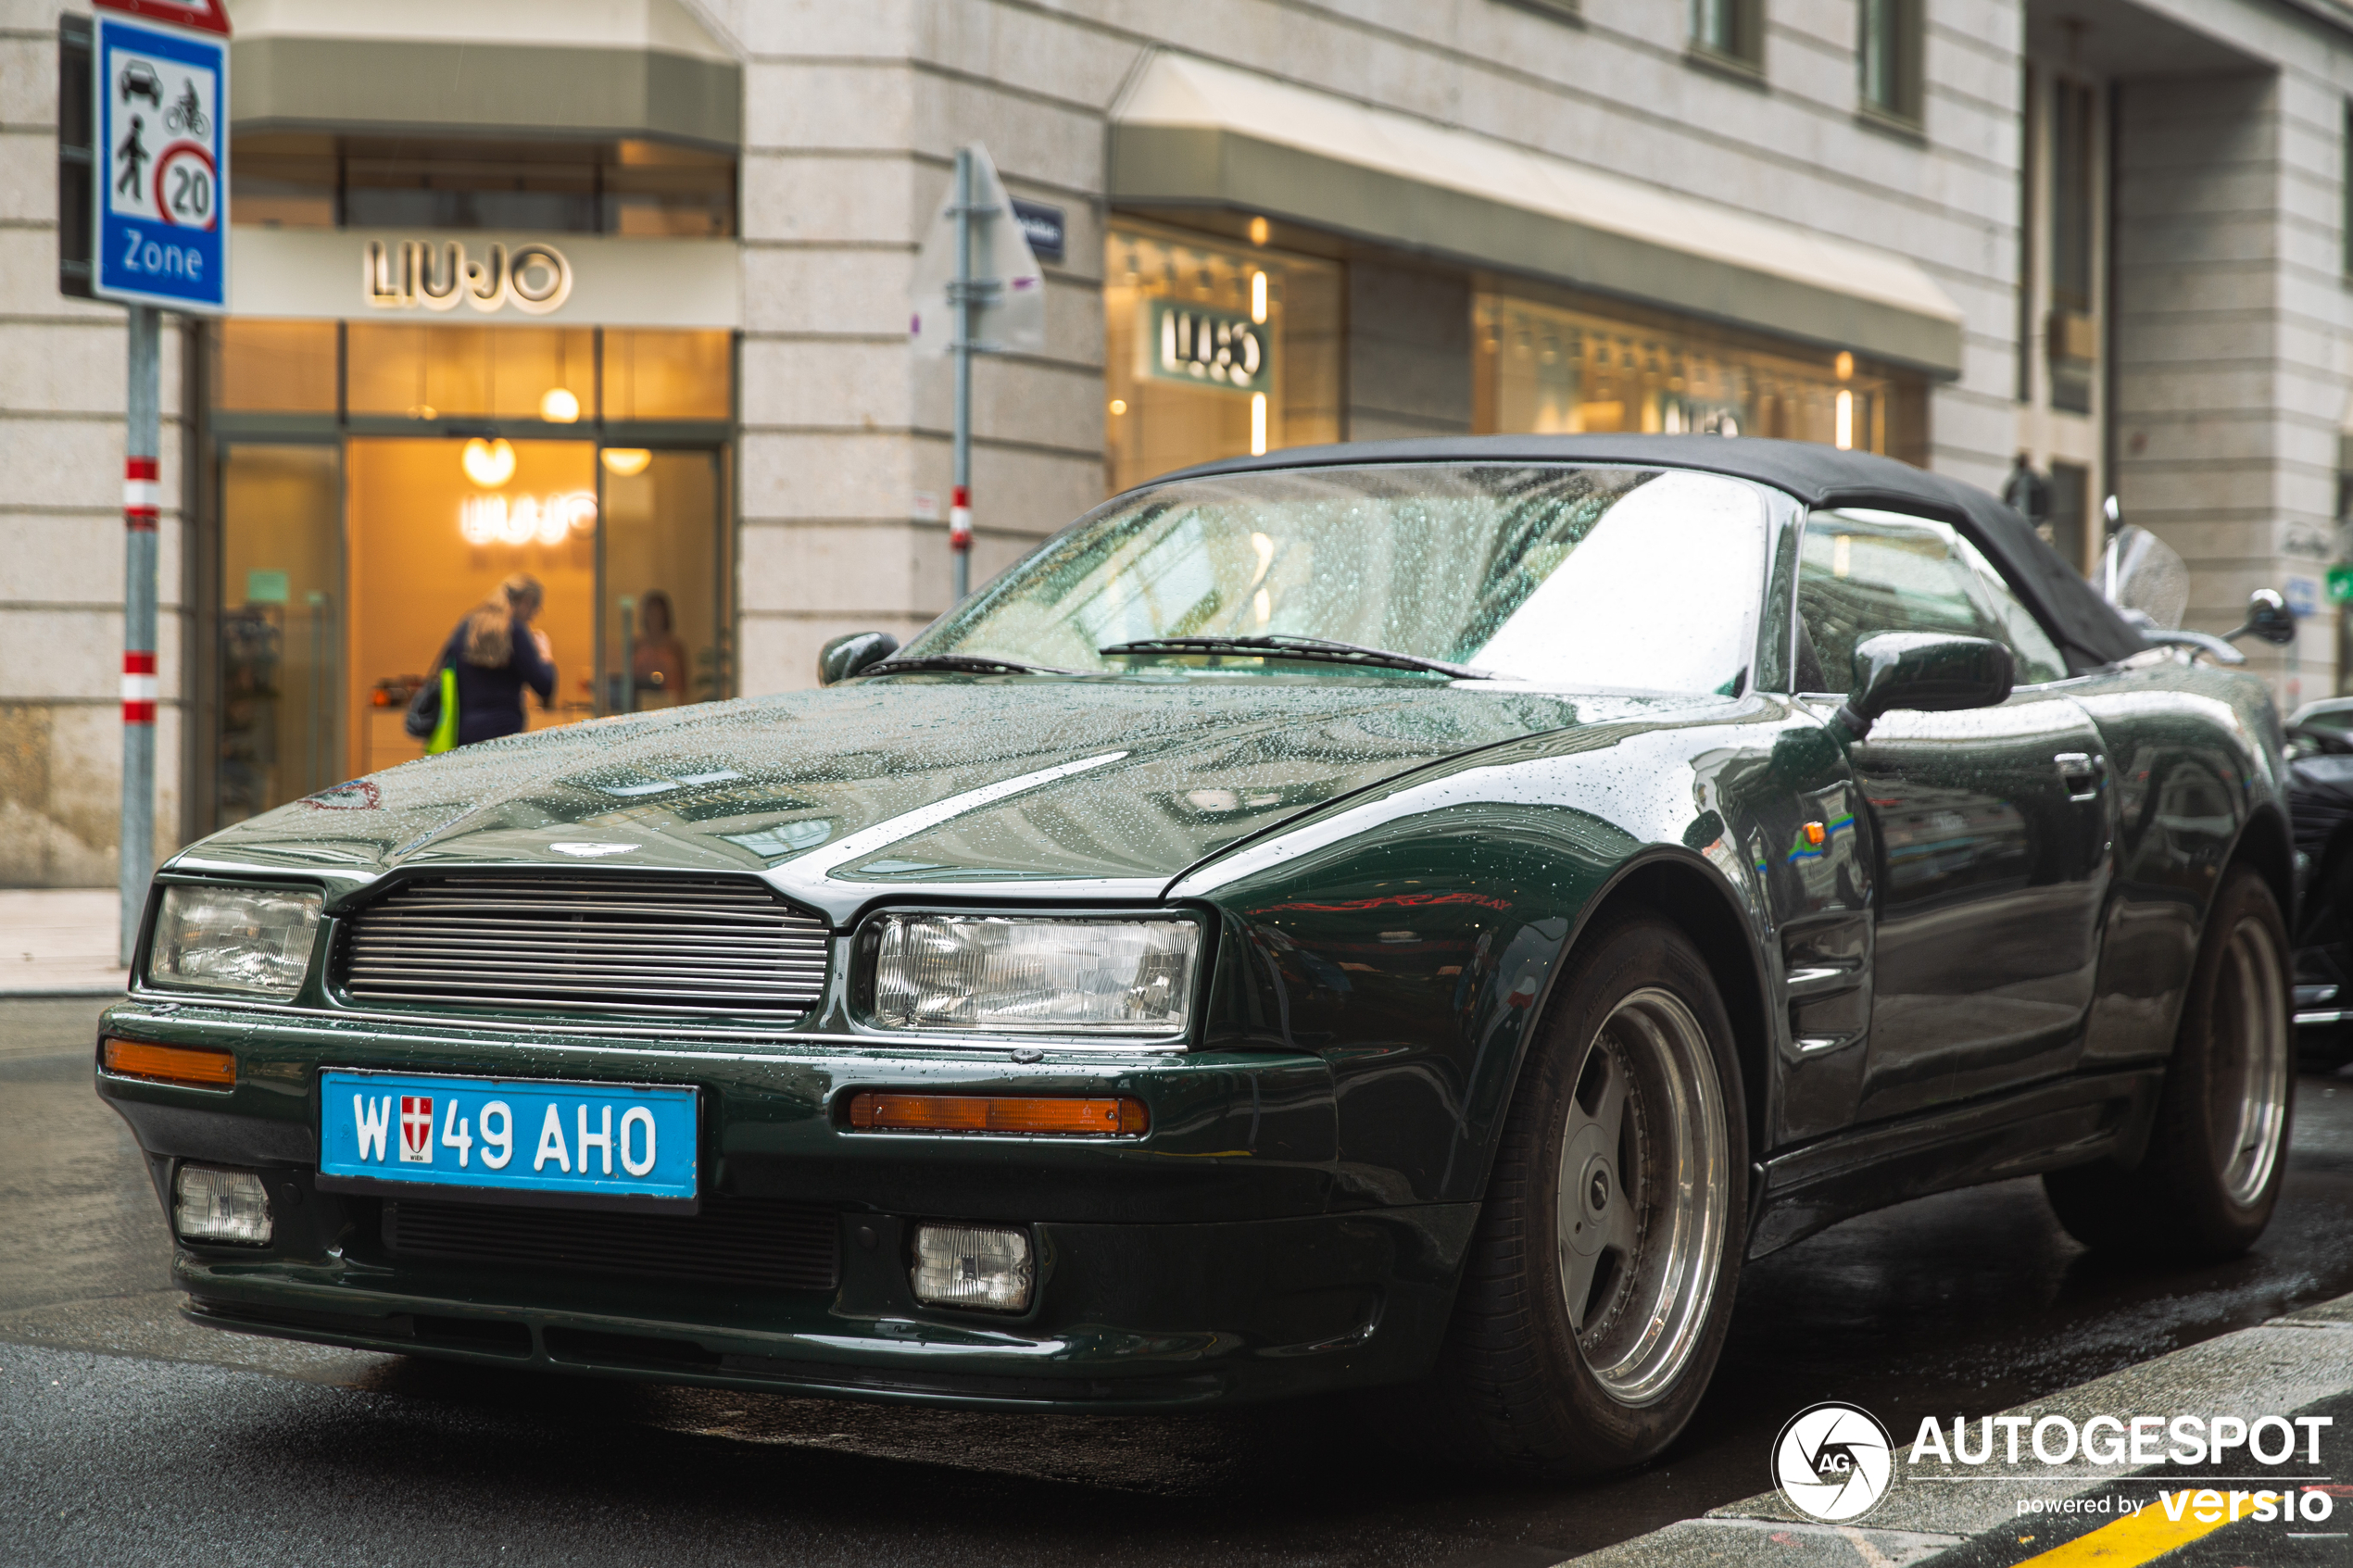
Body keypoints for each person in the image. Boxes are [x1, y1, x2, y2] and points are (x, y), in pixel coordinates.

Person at [438, 573, 555, 746]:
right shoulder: (515, 631)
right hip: (504, 731)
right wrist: (545, 654)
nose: (532, 618)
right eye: (534, 610)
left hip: (464, 732)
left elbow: (446, 670)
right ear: (527, 602)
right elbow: (545, 686)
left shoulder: (466, 627)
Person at [631, 589, 689, 709]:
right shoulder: (636, 644)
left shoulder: (675, 646)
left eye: (658, 612)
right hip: (642, 704)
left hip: (669, 703)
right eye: (650, 611)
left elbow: (683, 683)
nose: (654, 616)